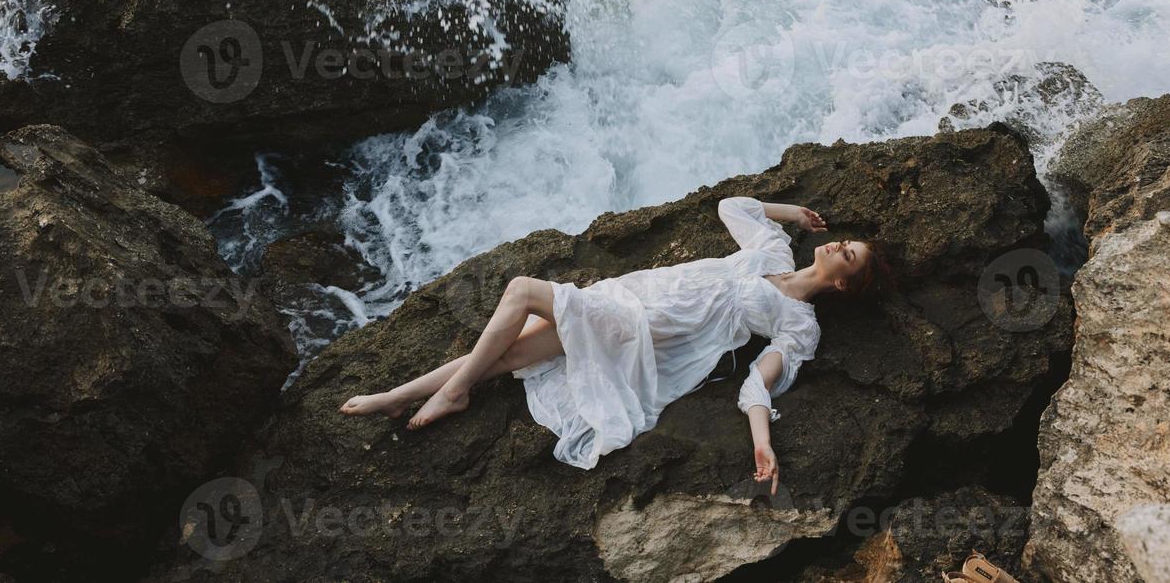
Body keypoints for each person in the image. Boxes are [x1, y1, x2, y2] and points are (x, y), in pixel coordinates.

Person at [340, 196, 887, 493]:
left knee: (522, 291)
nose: (838, 244)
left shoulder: (799, 325)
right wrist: (791, 212)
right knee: (510, 352)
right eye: (843, 241)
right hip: (635, 293)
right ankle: (397, 395)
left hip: (646, 329)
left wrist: (762, 441)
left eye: (849, 255)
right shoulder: (772, 252)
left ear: (843, 284)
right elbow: (732, 207)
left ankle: (451, 390)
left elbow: (758, 381)